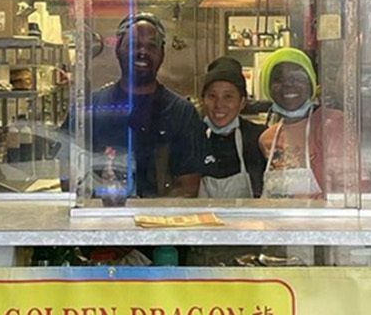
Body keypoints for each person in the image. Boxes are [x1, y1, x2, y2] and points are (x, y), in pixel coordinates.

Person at [79, 13, 203, 199]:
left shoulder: (182, 113)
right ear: (118, 49)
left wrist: (149, 213)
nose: (142, 51)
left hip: (162, 217)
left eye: (151, 46)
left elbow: (188, 187)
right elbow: (71, 177)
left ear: (162, 54)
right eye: (133, 45)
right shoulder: (90, 108)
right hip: (104, 214)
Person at [256, 46, 356, 199]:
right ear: (267, 87)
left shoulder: (332, 124)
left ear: (311, 84)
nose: (288, 85)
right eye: (278, 79)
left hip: (323, 214)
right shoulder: (267, 139)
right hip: (279, 215)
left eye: (297, 78)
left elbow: (350, 190)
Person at [196, 56, 265, 199]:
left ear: (242, 102)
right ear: (202, 100)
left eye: (228, 97)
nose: (219, 104)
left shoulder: (259, 138)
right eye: (212, 96)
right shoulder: (192, 137)